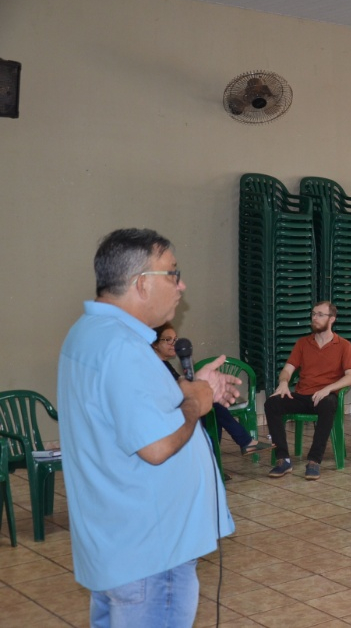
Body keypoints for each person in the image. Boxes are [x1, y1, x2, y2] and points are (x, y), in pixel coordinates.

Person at [57, 228, 241, 627]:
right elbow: (156, 447)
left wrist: (192, 387)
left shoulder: (88, 334)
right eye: (173, 274)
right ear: (142, 283)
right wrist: (196, 404)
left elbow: (125, 407)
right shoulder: (124, 348)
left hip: (117, 543)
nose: (182, 285)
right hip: (153, 551)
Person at [152, 323, 273, 470]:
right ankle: (241, 445)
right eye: (167, 340)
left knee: (214, 409)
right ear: (155, 344)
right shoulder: (154, 365)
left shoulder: (165, 363)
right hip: (171, 414)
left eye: (175, 339)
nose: (174, 344)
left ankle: (215, 465)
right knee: (215, 407)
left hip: (181, 407)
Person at [265, 301, 351, 480]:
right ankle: (283, 459)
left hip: (323, 398)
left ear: (332, 319)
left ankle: (314, 461)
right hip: (302, 395)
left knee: (329, 403)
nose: (314, 318)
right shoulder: (303, 343)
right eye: (313, 314)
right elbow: (287, 370)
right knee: (272, 403)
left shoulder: (344, 345)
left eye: (320, 315)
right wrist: (283, 382)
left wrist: (328, 389)